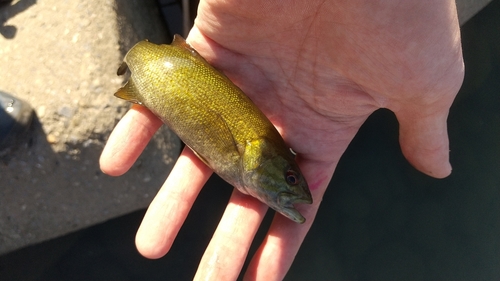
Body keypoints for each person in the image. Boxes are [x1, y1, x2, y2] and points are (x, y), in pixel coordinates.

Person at [100, 0, 464, 280]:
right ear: (258, 154)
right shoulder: (249, 151)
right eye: (291, 179)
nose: (295, 190)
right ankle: (137, 72)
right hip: (162, 70)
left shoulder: (253, 155)